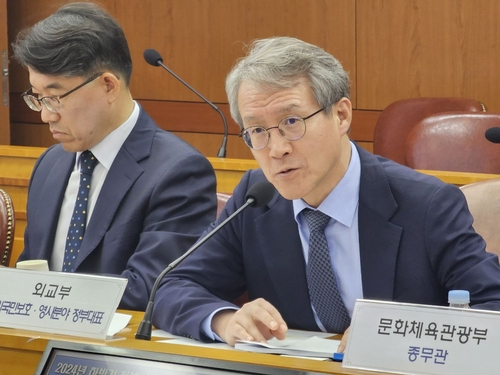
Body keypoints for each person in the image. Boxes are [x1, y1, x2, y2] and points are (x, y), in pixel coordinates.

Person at [151, 36, 500, 350]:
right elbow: (172, 286)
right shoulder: (256, 199)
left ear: (342, 115)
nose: (276, 149)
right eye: (257, 130)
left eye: (291, 122)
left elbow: (492, 306)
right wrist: (225, 320)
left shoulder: (425, 204)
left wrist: (396, 335)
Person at [12, 2, 217, 311]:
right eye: (37, 98)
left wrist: (52, 300)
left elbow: (150, 289)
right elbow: (31, 272)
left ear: (108, 85)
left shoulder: (179, 172)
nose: (45, 115)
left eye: (54, 98)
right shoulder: (49, 165)